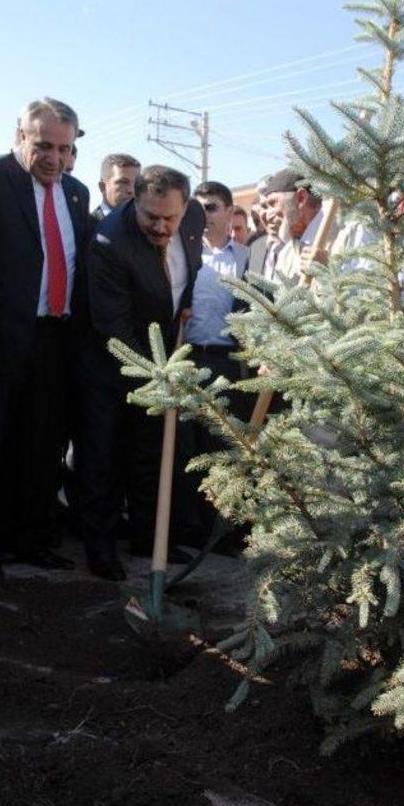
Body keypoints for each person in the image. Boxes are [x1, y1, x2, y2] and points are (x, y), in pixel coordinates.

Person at [0, 97, 91, 578]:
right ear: (20, 136)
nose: (53, 158)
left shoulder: (75, 194)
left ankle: (31, 537)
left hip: (55, 341)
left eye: (63, 148)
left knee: (42, 445)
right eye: (43, 145)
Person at [75, 165, 203, 579]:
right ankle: (101, 548)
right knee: (104, 455)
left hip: (162, 352)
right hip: (110, 363)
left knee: (151, 452)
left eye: (171, 218)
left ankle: (150, 539)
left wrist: (183, 305)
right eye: (151, 217)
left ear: (185, 207)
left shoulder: (194, 216)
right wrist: (157, 373)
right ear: (135, 202)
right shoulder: (109, 242)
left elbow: (188, 273)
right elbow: (114, 326)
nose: (162, 226)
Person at [178, 181, 249, 545]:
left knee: (221, 448)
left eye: (212, 207)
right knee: (187, 450)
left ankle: (220, 533)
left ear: (230, 211)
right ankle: (189, 528)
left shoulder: (246, 258)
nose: (204, 215)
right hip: (187, 360)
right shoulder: (184, 254)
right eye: (199, 207)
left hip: (226, 364)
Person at [93, 153, 141, 221]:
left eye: (137, 183)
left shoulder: (146, 227)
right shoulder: (86, 228)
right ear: (103, 187)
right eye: (123, 182)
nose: (132, 190)